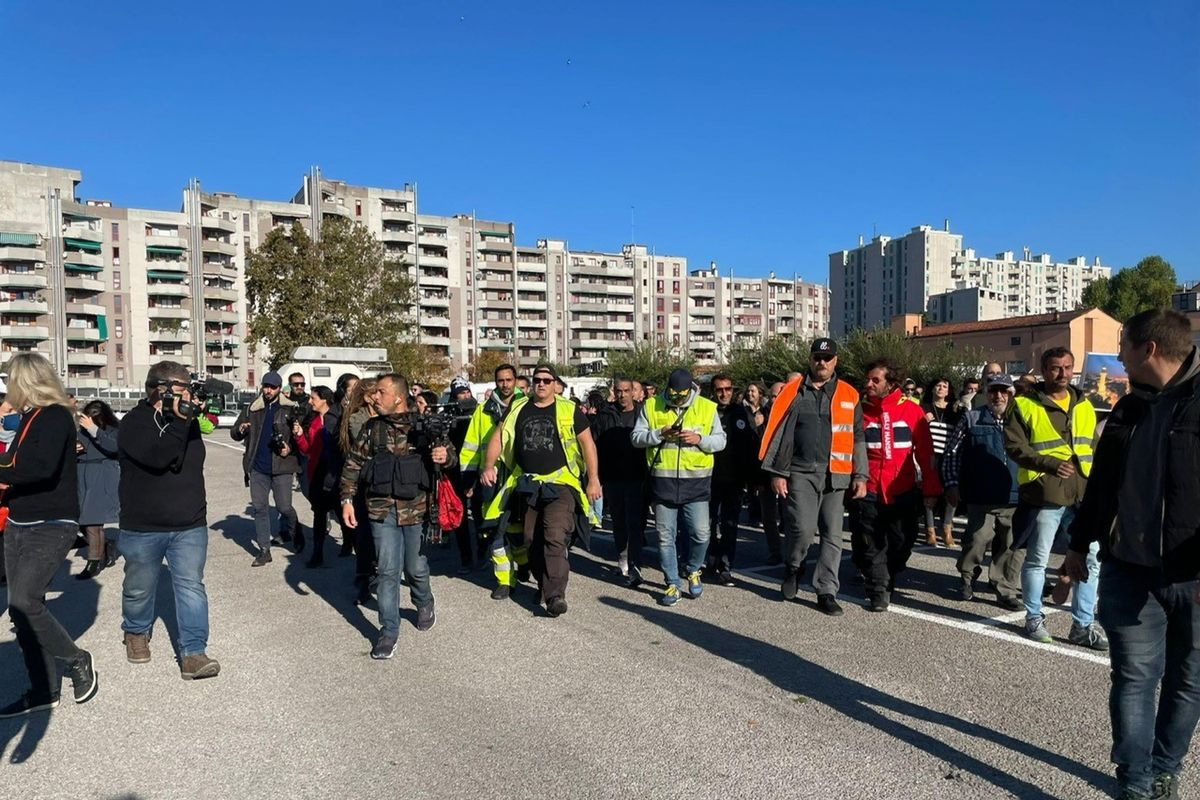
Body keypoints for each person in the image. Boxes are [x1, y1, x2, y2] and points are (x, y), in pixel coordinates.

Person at [1063, 309, 1200, 800]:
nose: (1118, 357)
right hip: (1129, 570)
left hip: (1192, 577)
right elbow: (1101, 487)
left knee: (1189, 680)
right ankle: (1136, 780)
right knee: (1135, 679)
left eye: (1123, 346)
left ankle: (1165, 769)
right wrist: (1077, 545)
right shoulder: (1127, 409)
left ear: (1149, 349)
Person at [0, 354, 98, 718]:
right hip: (19, 522)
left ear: (25, 381)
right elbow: (13, 464)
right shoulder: (29, 417)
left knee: (24, 600)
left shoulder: (56, 416)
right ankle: (42, 689)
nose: (8, 388)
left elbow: (38, 469)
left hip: (52, 523)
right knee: (20, 609)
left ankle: (76, 659)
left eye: (11, 380)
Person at [114, 360, 219, 679]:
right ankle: (135, 630)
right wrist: (181, 420)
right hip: (143, 526)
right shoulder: (134, 423)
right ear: (163, 390)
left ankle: (194, 653)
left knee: (191, 587)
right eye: (185, 388)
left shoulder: (187, 421)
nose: (190, 395)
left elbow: (191, 461)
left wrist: (189, 417)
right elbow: (161, 458)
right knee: (139, 588)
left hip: (189, 524)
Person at [339, 374, 450, 659]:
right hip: (381, 509)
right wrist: (347, 500)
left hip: (416, 509)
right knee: (387, 571)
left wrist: (444, 455)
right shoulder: (372, 428)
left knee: (415, 568)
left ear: (398, 397)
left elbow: (450, 456)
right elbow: (353, 464)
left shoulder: (424, 426)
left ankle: (424, 601)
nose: (375, 397)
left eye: (381, 392)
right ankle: (388, 631)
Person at [481, 365, 601, 617]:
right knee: (530, 540)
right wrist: (489, 466)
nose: (542, 384)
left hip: (561, 484)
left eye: (547, 380)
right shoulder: (517, 408)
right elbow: (499, 437)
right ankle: (543, 584)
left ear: (555, 383)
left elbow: (587, 444)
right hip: (527, 484)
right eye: (537, 380)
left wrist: (593, 479)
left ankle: (555, 595)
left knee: (554, 535)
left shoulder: (569, 409)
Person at [1006, 347, 1106, 649]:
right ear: (1043, 369)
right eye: (1055, 368)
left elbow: (1093, 446)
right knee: (1038, 559)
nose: (1062, 374)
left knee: (1091, 559)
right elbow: (1014, 447)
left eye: (1067, 367)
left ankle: (1083, 626)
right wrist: (1049, 464)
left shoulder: (1084, 404)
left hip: (1082, 492)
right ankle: (1034, 618)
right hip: (1045, 491)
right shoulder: (1023, 404)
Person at [759, 338, 867, 616]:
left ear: (835, 361)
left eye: (827, 358)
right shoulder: (793, 392)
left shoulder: (849, 394)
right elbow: (778, 433)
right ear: (810, 359)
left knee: (833, 535)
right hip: (800, 472)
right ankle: (794, 566)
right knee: (803, 530)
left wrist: (861, 475)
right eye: (817, 357)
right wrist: (777, 473)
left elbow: (857, 437)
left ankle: (826, 590)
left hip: (836, 474)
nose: (822, 362)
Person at [852, 359, 941, 612]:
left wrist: (931, 489)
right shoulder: (860, 411)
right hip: (869, 489)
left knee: (903, 541)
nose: (869, 384)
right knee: (872, 543)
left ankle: (888, 574)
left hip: (903, 490)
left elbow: (926, 453)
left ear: (891, 384)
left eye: (875, 380)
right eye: (868, 379)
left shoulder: (912, 411)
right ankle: (878, 589)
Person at [631, 368, 726, 607]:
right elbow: (636, 438)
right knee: (665, 537)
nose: (676, 399)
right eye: (672, 394)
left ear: (690, 390)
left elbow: (721, 440)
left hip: (696, 483)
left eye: (681, 395)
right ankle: (672, 582)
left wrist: (700, 439)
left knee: (701, 534)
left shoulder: (706, 407)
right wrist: (659, 434)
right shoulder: (652, 405)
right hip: (663, 484)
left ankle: (693, 568)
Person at [941, 374, 1023, 608]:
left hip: (1015, 495)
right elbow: (952, 453)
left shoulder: (1021, 419)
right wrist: (951, 484)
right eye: (993, 391)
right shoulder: (972, 418)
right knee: (977, 540)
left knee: (1010, 545)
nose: (998, 396)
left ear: (1011, 394)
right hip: (981, 495)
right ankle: (967, 578)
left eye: (1003, 391)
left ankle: (1004, 589)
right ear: (986, 394)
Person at [461, 364, 523, 597]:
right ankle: (504, 581)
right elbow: (471, 447)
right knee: (494, 530)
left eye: (509, 380)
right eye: (500, 380)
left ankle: (524, 564)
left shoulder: (526, 406)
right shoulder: (483, 410)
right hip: (490, 479)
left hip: (518, 478)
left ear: (515, 380)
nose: (505, 384)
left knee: (518, 531)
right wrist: (468, 480)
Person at [231, 372, 304, 566]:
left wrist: (290, 448)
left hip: (282, 466)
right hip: (257, 467)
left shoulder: (289, 408)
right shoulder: (252, 408)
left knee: (284, 507)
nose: (268, 390)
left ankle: (296, 531)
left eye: (273, 387)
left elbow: (299, 438)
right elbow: (234, 433)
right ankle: (264, 550)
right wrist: (240, 429)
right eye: (266, 386)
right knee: (259, 508)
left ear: (279, 388)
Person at [592, 376, 649, 586]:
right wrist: (595, 475)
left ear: (634, 392)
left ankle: (635, 565)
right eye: (619, 391)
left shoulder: (643, 413)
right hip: (613, 477)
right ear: (614, 392)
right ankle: (623, 557)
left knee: (636, 522)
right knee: (618, 521)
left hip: (638, 476)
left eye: (626, 390)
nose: (622, 395)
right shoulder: (605, 415)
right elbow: (593, 443)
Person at [707, 373, 760, 586]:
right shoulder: (706, 411)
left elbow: (751, 444)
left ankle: (725, 567)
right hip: (709, 477)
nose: (724, 393)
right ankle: (710, 561)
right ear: (713, 391)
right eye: (719, 389)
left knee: (730, 524)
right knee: (707, 524)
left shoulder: (741, 412)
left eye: (728, 389)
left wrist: (753, 477)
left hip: (734, 479)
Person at [340, 377, 379, 604]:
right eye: (376, 392)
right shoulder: (357, 419)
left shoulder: (381, 414)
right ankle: (364, 580)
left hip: (380, 481)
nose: (379, 396)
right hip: (364, 481)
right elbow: (369, 447)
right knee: (365, 534)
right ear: (366, 396)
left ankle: (375, 572)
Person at [293, 386, 339, 567]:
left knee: (341, 514)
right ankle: (317, 553)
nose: (310, 401)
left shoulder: (336, 420)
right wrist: (299, 436)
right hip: (317, 473)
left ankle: (352, 547)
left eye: (314, 398)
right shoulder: (313, 422)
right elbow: (308, 449)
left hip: (334, 474)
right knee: (319, 515)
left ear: (324, 400)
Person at [75, 399, 121, 580]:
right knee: (81, 521)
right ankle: (105, 546)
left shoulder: (113, 430)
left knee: (93, 521)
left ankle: (94, 561)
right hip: (82, 475)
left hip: (101, 475)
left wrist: (94, 430)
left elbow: (114, 447)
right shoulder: (81, 431)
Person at [921, 377, 961, 548]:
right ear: (932, 389)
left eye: (945, 386)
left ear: (949, 391)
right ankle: (930, 532)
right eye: (938, 385)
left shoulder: (954, 410)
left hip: (949, 456)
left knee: (951, 493)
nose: (941, 388)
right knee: (930, 494)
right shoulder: (923, 408)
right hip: (930, 455)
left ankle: (947, 530)